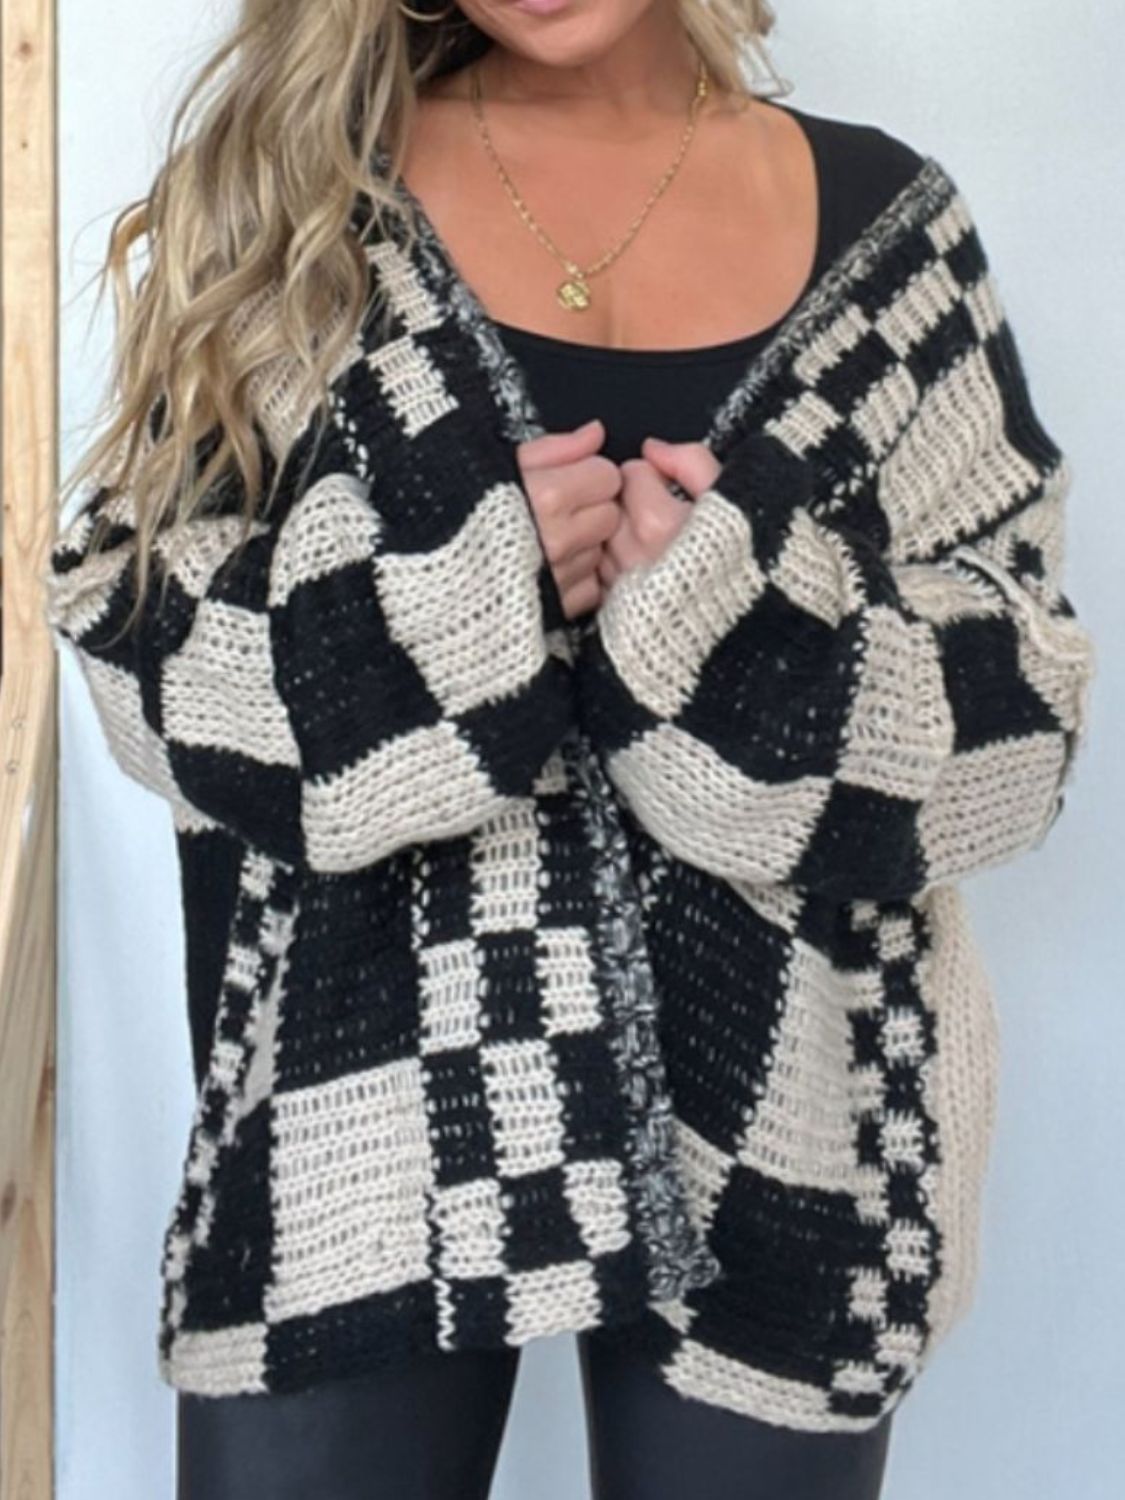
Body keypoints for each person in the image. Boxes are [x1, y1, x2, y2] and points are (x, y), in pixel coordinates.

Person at [43, 2, 1096, 1498]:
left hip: (799, 1144)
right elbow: (138, 645)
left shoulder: (892, 239)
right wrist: (452, 607)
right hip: (349, 1118)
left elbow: (1025, 712)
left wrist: (733, 631)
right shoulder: (298, 200)